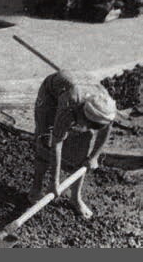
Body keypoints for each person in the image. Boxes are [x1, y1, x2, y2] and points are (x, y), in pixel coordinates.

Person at [30, 70, 117, 219]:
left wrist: (94, 156)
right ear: (82, 114)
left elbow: (106, 130)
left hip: (83, 88)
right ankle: (36, 189)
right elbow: (57, 143)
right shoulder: (70, 104)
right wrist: (54, 181)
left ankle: (75, 198)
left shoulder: (107, 108)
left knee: (84, 144)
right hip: (51, 95)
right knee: (45, 142)